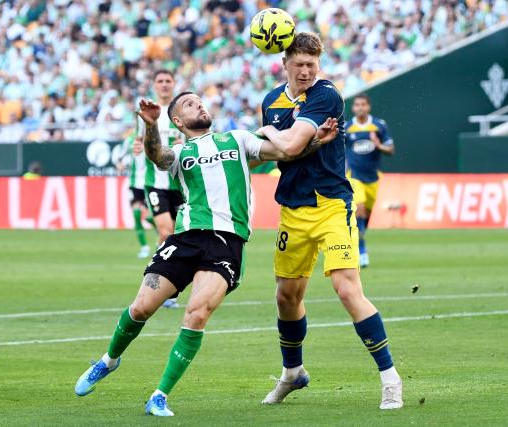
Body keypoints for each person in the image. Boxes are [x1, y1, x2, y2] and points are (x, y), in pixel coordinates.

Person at [74, 93, 338, 417]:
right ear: (178, 122)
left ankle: (159, 395)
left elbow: (283, 150)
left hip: (225, 244)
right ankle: (109, 360)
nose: (198, 104)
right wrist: (150, 126)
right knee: (141, 307)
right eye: (188, 104)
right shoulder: (181, 152)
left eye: (199, 101)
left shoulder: (238, 139)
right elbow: (156, 154)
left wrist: (316, 142)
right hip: (185, 238)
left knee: (196, 314)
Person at [257, 32, 403, 410]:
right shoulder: (270, 101)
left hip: (332, 205)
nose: (306, 72)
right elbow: (281, 158)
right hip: (293, 207)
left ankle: (390, 378)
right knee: (286, 296)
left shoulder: (326, 95)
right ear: (284, 64)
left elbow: (284, 146)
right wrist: (308, 143)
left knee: (346, 289)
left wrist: (273, 133)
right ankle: (292, 373)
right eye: (299, 65)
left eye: (312, 65)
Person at [143, 70, 186, 308]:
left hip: (180, 183)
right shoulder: (148, 113)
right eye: (160, 81)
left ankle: (169, 282)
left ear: (174, 84)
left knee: (180, 235)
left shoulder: (181, 111)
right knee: (165, 232)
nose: (164, 85)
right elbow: (138, 143)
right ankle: (163, 286)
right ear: (154, 85)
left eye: (168, 81)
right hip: (156, 184)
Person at [345, 93, 394, 268]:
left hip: (372, 178)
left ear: (368, 107)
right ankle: (362, 251)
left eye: (363, 104)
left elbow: (390, 149)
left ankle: (359, 240)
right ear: (353, 108)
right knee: (360, 209)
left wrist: (378, 145)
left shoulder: (379, 126)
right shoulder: (347, 127)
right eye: (357, 105)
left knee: (366, 218)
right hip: (354, 176)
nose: (360, 107)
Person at [116, 132, 151, 259]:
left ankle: (162, 239)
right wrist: (120, 164)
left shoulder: (152, 138)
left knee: (150, 217)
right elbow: (119, 157)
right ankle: (144, 247)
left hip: (149, 183)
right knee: (136, 214)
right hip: (134, 183)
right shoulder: (130, 140)